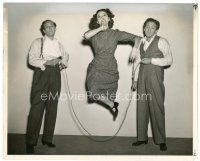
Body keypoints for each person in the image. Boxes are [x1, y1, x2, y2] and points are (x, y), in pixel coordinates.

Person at [84, 8, 141, 121]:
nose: (102, 18)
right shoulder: (94, 34)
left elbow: (137, 38)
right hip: (96, 66)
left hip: (110, 66)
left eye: (104, 15)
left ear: (109, 18)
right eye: (99, 17)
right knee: (92, 91)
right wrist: (100, 28)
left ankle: (112, 104)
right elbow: (86, 35)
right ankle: (112, 104)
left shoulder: (115, 34)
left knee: (109, 94)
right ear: (97, 20)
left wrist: (134, 49)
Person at [26, 20, 69, 153]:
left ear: (55, 28)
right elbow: (31, 59)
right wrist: (48, 62)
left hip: (55, 74)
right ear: (43, 30)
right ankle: (31, 141)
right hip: (42, 73)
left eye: (52, 26)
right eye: (47, 27)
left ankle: (47, 139)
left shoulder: (58, 43)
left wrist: (62, 63)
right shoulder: (37, 42)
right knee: (37, 107)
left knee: (52, 106)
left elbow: (66, 56)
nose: (50, 28)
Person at [130, 18, 173, 151]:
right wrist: (135, 80)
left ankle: (161, 140)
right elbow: (136, 63)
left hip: (155, 79)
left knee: (157, 108)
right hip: (142, 78)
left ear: (156, 30)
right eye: (147, 26)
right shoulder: (141, 42)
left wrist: (152, 60)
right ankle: (142, 138)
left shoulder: (162, 41)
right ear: (144, 28)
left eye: (152, 27)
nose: (149, 29)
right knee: (141, 108)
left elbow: (169, 60)